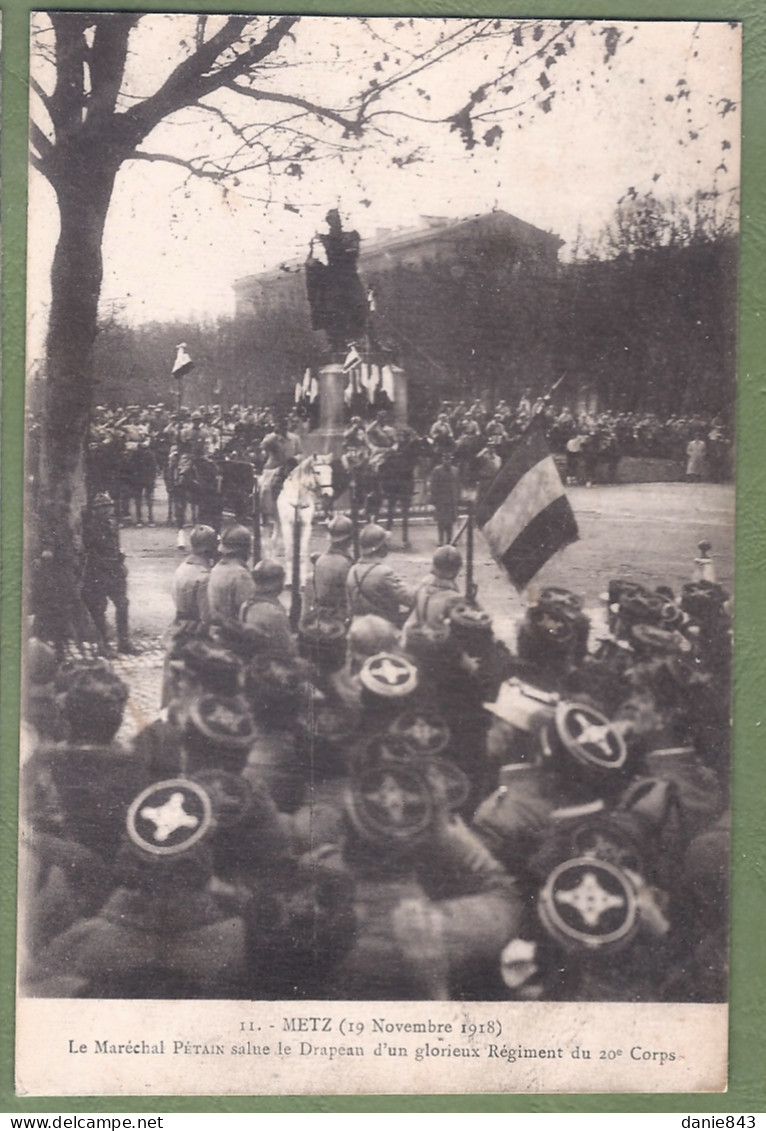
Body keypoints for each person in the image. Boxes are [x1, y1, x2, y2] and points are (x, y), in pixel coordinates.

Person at [81, 493, 135, 655]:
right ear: (95, 511)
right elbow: (91, 552)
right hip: (98, 572)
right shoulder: (90, 528)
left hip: (115, 571)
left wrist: (120, 560)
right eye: (102, 508)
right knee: (99, 608)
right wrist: (108, 564)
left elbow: (116, 547)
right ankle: (103, 645)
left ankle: (124, 642)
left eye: (108, 506)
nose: (106, 510)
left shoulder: (113, 525)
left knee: (123, 604)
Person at [346, 524, 414, 627]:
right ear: (380, 547)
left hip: (358, 626)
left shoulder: (353, 570)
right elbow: (410, 598)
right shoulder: (384, 572)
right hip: (382, 628)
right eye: (385, 543)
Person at [303, 514, 355, 626]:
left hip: (320, 616)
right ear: (349, 540)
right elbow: (350, 600)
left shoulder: (321, 560)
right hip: (339, 619)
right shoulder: (346, 564)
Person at [240, 559, 297, 659]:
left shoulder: (246, 605)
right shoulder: (274, 613)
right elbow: (288, 649)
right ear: (278, 582)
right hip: (271, 666)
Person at [403, 545, 464, 640]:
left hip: (414, 641)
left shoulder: (422, 585)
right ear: (457, 570)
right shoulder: (454, 598)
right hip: (437, 645)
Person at [208, 525, 255, 625]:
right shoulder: (241, 575)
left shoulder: (216, 568)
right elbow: (250, 612)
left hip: (218, 630)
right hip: (234, 633)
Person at [171, 524, 217, 627]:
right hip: (195, 632)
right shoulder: (204, 576)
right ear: (208, 549)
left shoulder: (182, 568)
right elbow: (207, 617)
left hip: (178, 627)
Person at [429, 455, 461, 545]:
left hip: (451, 499)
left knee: (450, 521)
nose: (447, 461)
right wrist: (433, 501)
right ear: (442, 459)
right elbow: (433, 486)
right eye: (445, 459)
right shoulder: (437, 470)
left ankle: (450, 539)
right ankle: (440, 540)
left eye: (449, 459)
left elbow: (458, 485)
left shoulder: (455, 470)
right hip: (441, 500)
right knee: (441, 521)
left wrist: (458, 497)